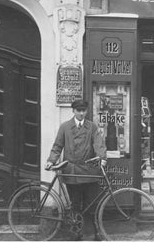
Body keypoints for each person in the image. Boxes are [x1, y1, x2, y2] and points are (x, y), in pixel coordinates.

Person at [45, 99, 107, 241]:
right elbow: (57, 146)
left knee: (90, 204)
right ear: (73, 111)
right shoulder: (65, 127)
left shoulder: (92, 127)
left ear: (86, 111)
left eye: (83, 110)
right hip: (72, 171)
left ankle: (92, 233)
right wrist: (51, 160)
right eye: (78, 110)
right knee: (75, 204)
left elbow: (99, 143)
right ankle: (76, 233)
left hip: (89, 171)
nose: (81, 113)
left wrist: (102, 157)